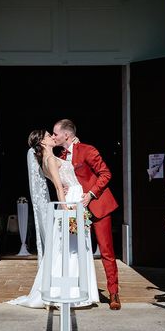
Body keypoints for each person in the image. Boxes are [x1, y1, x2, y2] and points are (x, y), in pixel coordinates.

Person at [8, 130, 99, 308]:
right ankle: (66, 292)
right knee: (71, 249)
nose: (52, 137)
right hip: (71, 203)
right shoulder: (49, 160)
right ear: (42, 142)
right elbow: (58, 187)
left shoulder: (50, 158)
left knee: (73, 247)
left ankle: (77, 290)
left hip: (74, 196)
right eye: (49, 136)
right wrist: (66, 211)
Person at [52, 119, 121, 310]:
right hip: (74, 207)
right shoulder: (61, 155)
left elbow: (105, 174)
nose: (53, 136)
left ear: (67, 134)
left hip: (97, 205)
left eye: (55, 133)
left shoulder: (87, 150)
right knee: (75, 250)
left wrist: (91, 194)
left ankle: (113, 293)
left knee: (106, 250)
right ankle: (78, 290)